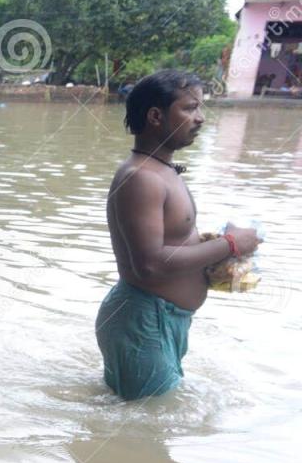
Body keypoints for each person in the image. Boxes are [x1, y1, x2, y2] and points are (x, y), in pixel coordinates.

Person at [97, 70, 260, 400]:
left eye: (200, 108)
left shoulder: (162, 170)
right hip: (145, 321)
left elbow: (169, 245)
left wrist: (215, 254)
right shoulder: (142, 177)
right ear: (156, 116)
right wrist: (229, 243)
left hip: (161, 320)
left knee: (139, 419)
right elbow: (150, 266)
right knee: (140, 435)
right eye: (189, 108)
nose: (200, 118)